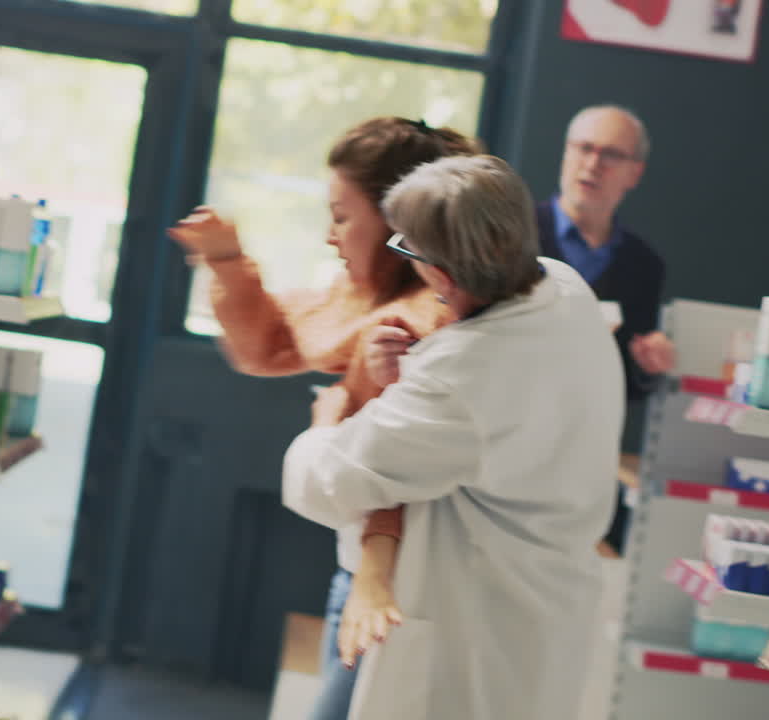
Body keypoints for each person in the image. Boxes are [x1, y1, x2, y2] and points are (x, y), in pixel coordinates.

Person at [282, 154, 625, 720]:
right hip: (544, 611)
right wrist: (414, 372)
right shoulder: (564, 289)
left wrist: (327, 420)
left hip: (472, 636)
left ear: (440, 273)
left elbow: (329, 481)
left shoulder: (463, 380)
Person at [166, 117, 476, 720]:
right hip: (366, 573)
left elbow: (397, 467)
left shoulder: (413, 325)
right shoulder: (370, 304)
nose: (329, 236)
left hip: (394, 587)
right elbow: (271, 341)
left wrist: (332, 426)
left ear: (394, 220)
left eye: (341, 216)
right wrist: (227, 260)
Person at [536, 104, 676, 554]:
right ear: (565, 154)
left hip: (585, 461)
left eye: (611, 154)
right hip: (504, 444)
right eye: (584, 148)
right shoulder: (514, 237)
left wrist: (650, 368)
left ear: (634, 173)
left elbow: (631, 389)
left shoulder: (643, 266)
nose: (593, 163)